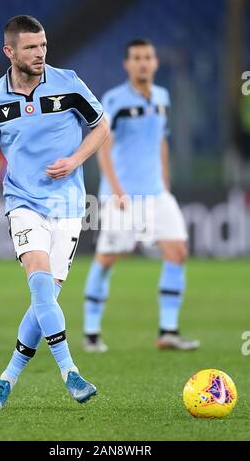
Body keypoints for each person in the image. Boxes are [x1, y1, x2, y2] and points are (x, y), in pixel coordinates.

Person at [0, 15, 109, 410]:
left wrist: (75, 159)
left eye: (43, 45)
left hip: (67, 206)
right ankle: (71, 373)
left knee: (43, 300)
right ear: (9, 52)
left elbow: (101, 126)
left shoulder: (68, 83)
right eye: (31, 47)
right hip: (23, 203)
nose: (40, 53)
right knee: (40, 285)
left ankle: (5, 380)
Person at [83, 39, 199, 352]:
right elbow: (102, 145)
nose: (143, 63)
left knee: (178, 252)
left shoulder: (163, 97)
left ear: (155, 62)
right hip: (122, 196)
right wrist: (117, 190)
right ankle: (91, 333)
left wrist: (165, 178)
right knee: (108, 258)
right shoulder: (115, 99)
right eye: (137, 58)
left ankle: (168, 332)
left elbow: (161, 139)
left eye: (148, 57)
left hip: (157, 193)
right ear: (127, 64)